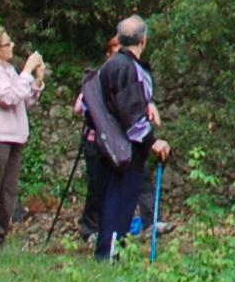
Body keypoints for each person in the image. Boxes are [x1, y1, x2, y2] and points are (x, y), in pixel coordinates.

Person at [88, 15, 173, 260]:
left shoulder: (109, 65)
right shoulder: (127, 68)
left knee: (110, 201)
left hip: (107, 144)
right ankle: (111, 255)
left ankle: (105, 252)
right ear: (143, 40)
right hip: (126, 149)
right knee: (120, 204)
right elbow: (131, 113)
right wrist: (152, 141)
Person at [0, 26, 45, 251]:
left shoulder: (9, 71)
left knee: (8, 193)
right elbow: (9, 97)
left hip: (14, 137)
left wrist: (37, 80)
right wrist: (26, 71)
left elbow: (24, 100)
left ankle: (0, 237)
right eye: (7, 43)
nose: (12, 46)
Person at [73, 34, 119, 242]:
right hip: (94, 141)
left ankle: (110, 227)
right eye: (115, 53)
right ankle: (90, 228)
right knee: (96, 185)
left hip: (117, 143)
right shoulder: (96, 78)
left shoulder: (128, 78)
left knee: (114, 186)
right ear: (108, 55)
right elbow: (79, 107)